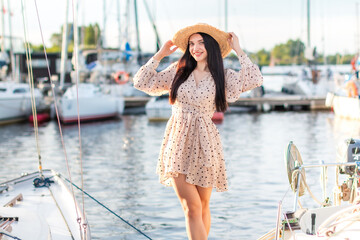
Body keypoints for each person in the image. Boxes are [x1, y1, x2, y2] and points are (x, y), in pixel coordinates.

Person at [133, 23, 263, 240]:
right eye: (192, 44)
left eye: (201, 42)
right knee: (190, 207)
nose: (195, 48)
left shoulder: (223, 75)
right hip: (178, 141)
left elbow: (254, 79)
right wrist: (160, 54)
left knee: (202, 206)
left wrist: (238, 50)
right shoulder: (178, 70)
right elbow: (141, 82)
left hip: (206, 143)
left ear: (211, 46)